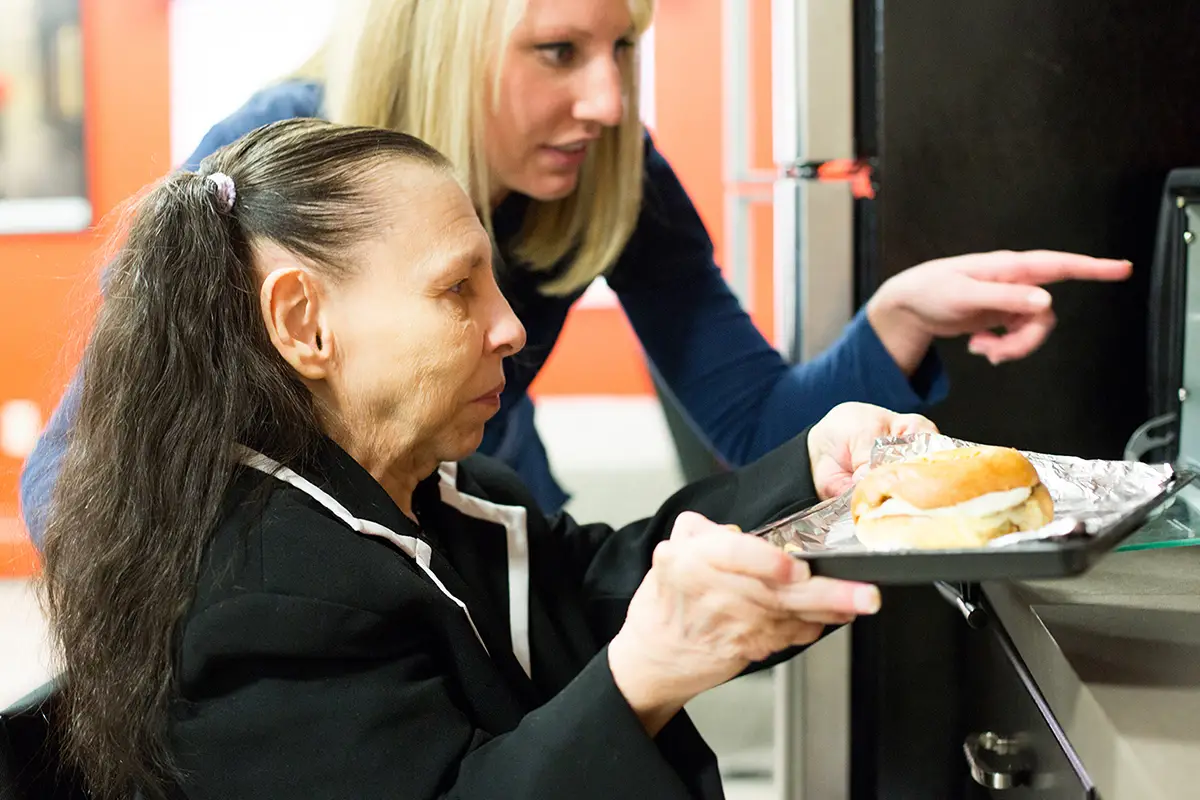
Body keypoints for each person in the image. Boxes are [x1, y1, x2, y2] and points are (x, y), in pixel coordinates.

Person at [41, 117, 935, 800]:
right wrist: (642, 679)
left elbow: (590, 592)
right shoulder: (259, 598)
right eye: (457, 289)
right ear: (303, 323)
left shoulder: (439, 492)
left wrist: (813, 475)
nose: (509, 328)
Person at [18, 0, 1132, 535]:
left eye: (623, 51)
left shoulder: (610, 170)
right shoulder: (279, 161)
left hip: (499, 527)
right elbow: (76, 477)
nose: (606, 102)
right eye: (559, 52)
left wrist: (896, 317)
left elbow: (753, 421)